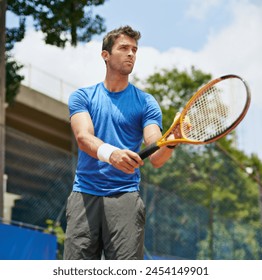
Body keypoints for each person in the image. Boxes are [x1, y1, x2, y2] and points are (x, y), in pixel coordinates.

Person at [63, 25, 180, 260]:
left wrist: (172, 141)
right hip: (84, 195)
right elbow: (84, 138)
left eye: (134, 50)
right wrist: (112, 154)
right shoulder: (82, 97)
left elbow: (156, 155)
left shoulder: (146, 103)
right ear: (105, 55)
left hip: (125, 196)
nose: (131, 54)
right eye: (124, 48)